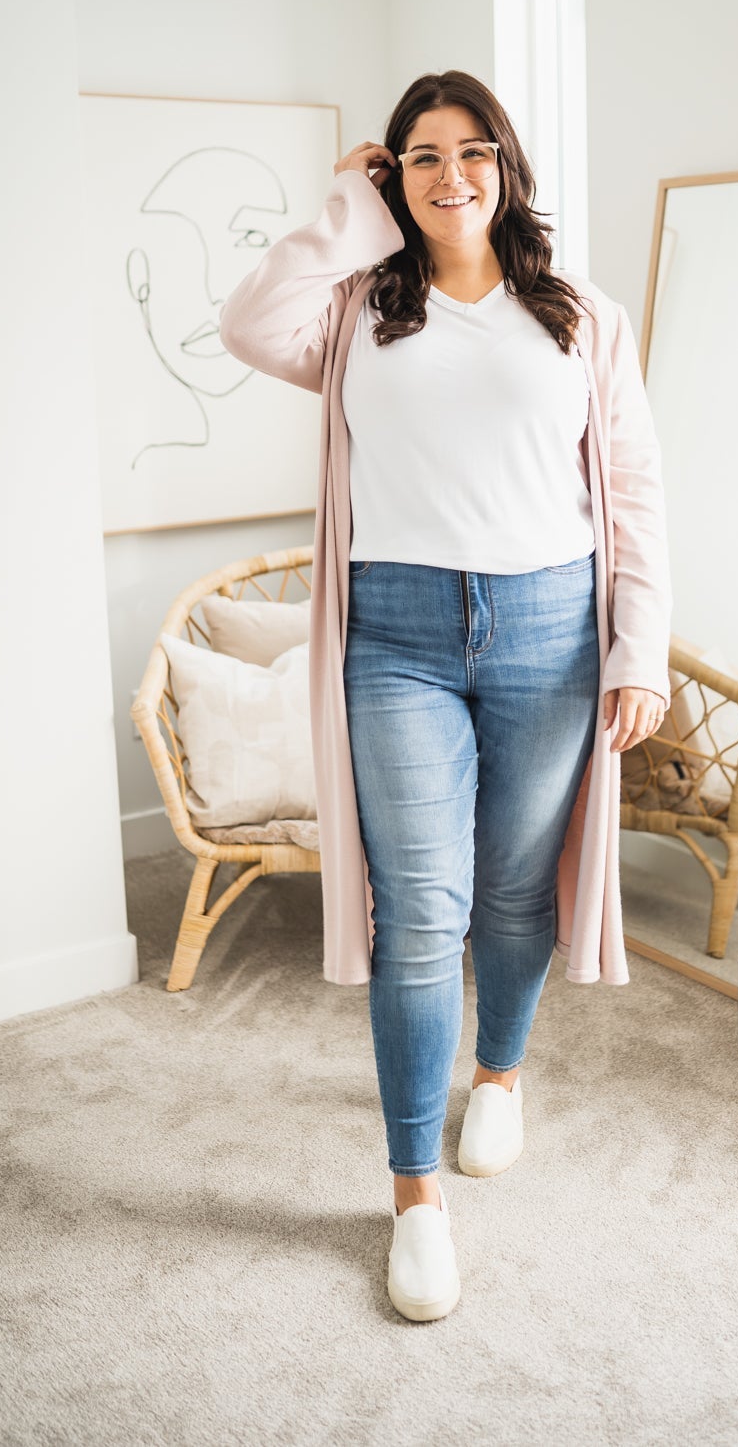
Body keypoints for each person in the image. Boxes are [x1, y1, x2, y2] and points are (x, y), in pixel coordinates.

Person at [219, 70, 672, 1322]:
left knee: (519, 891)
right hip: (400, 634)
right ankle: (415, 1197)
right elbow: (249, 324)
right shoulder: (360, 306)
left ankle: (502, 1074)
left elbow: (633, 494)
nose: (451, 174)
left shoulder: (582, 317)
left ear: (507, 166)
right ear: (395, 175)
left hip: (549, 631)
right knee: (423, 909)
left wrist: (640, 648)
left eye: (474, 151)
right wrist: (342, 209)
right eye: (422, 157)